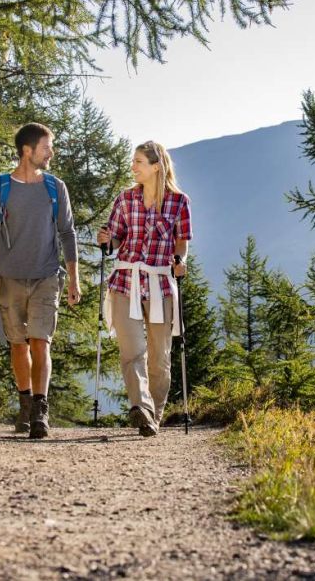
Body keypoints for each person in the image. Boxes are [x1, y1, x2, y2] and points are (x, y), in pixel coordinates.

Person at [0, 123, 81, 439]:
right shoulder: (1, 187)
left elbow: (67, 233)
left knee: (40, 340)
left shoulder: (55, 187)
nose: (51, 152)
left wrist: (74, 279)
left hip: (47, 276)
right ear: (28, 150)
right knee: (17, 343)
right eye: (47, 147)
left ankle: (40, 409)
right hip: (8, 277)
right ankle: (24, 401)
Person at [97, 140, 192, 437]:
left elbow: (181, 242)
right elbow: (115, 238)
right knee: (132, 351)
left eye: (138, 161)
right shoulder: (125, 199)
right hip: (126, 282)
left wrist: (181, 261)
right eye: (134, 161)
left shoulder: (179, 202)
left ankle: (155, 416)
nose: (133, 166)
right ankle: (141, 407)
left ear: (156, 166)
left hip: (161, 284)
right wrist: (106, 241)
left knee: (160, 357)